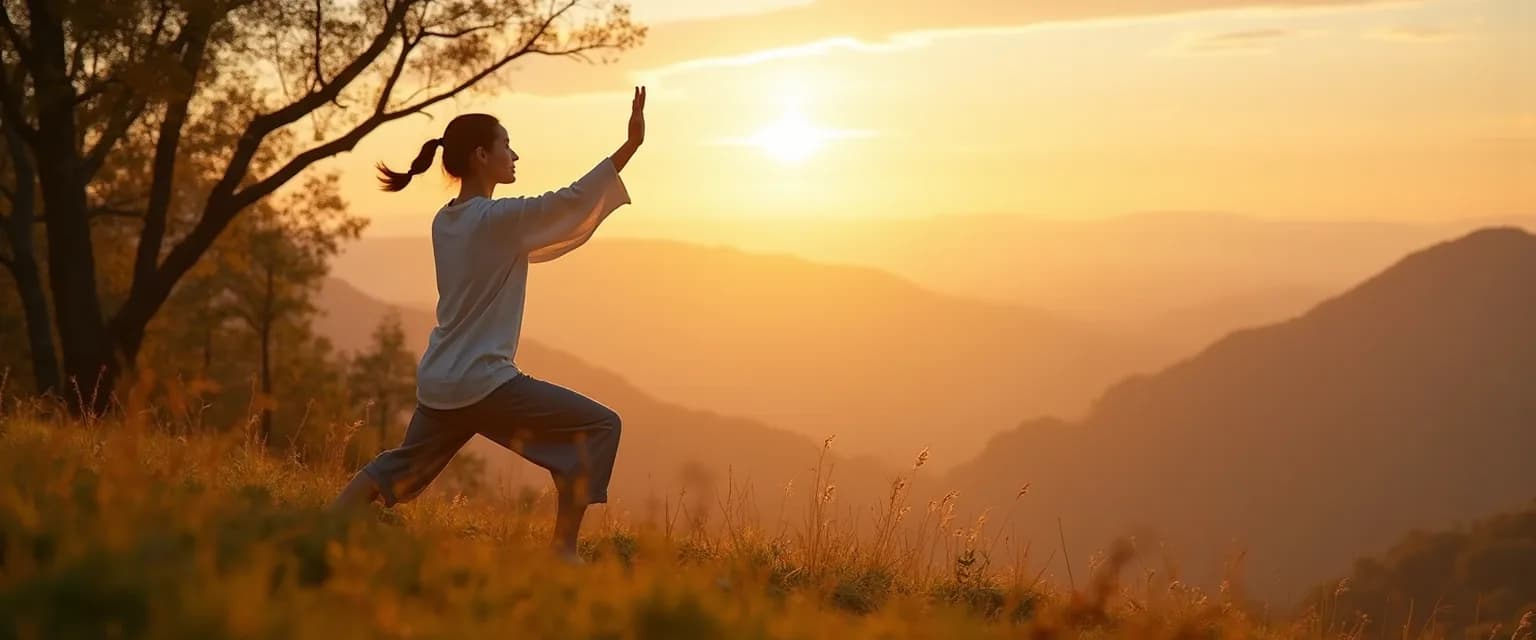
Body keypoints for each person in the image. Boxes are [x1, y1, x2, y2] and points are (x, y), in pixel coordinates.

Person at [331, 87, 647, 564]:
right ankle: (563, 550)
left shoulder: (446, 220)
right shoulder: (499, 220)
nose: (514, 154)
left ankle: (322, 524)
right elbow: (570, 200)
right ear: (482, 155)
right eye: (505, 145)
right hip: (485, 384)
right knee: (600, 425)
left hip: (439, 383)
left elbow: (534, 229)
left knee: (397, 466)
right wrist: (629, 148)